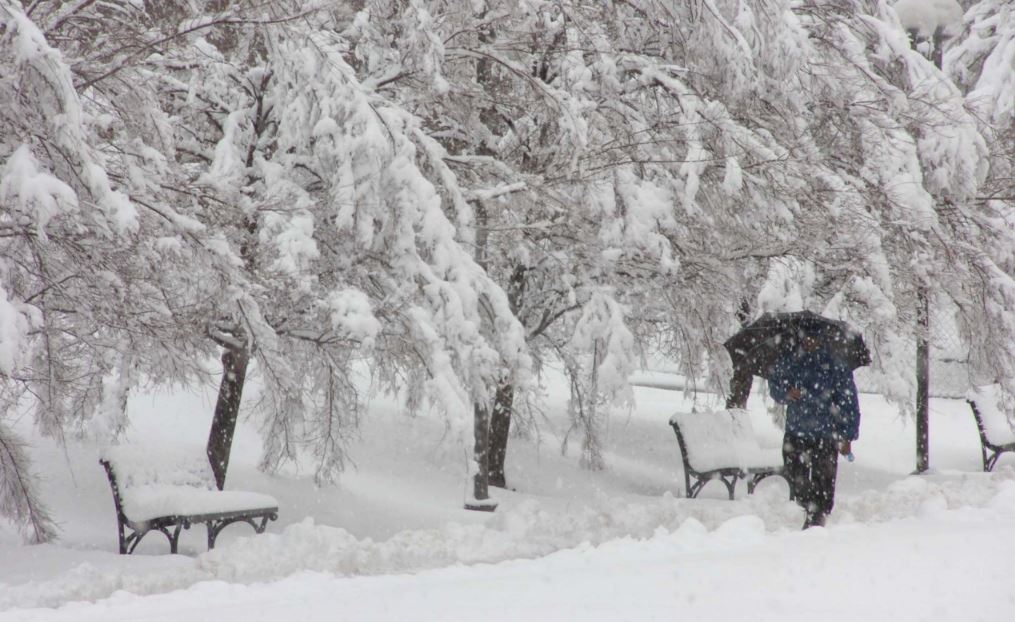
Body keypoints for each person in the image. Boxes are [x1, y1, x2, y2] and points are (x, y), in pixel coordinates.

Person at [768, 331, 861, 529]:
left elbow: (848, 401)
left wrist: (847, 435)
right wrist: (786, 392)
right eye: (806, 337)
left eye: (813, 337)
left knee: (824, 479)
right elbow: (775, 383)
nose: (809, 342)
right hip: (796, 430)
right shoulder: (791, 359)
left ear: (822, 338)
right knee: (795, 473)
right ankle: (810, 507)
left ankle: (818, 515)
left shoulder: (835, 364)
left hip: (826, 433)